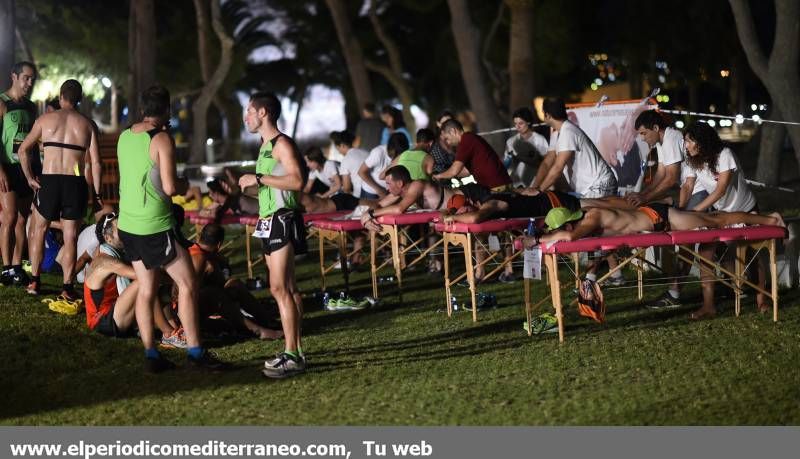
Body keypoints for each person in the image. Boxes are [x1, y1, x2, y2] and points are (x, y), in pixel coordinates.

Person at [116, 85, 226, 373]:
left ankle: (151, 355)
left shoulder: (125, 136)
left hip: (128, 224)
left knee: (147, 288)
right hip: (154, 225)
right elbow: (167, 186)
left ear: (142, 109)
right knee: (189, 283)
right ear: (166, 111)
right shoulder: (162, 138)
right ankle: (195, 352)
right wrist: (185, 185)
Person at [238, 92, 308, 378]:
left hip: (282, 220)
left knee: (280, 288)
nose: (246, 118)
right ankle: (295, 350)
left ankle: (292, 354)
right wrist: (250, 187)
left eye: (249, 112)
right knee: (284, 288)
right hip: (268, 220)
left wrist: (258, 179)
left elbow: (297, 180)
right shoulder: (264, 145)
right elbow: (272, 186)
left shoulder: (282, 143)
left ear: (263, 112)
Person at [18, 79, 102, 300]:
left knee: (38, 231)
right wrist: (97, 194)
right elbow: (95, 163)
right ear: (80, 100)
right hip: (74, 182)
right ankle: (67, 286)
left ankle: (35, 281)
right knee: (71, 236)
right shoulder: (87, 124)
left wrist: (29, 178)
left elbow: (23, 150)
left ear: (60, 96)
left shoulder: (45, 120)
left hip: (50, 180)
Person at [84, 212, 186, 347]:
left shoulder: (119, 253)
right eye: (121, 230)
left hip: (118, 311)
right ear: (108, 238)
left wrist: (174, 282)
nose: (127, 232)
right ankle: (168, 334)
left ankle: (174, 327)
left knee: (163, 291)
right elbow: (144, 275)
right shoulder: (105, 260)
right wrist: (174, 280)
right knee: (145, 283)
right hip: (103, 321)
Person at [188, 224, 283, 340]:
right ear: (219, 245)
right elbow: (209, 289)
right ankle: (258, 330)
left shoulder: (195, 251)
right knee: (215, 294)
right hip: (189, 312)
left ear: (199, 238)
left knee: (235, 284)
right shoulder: (203, 260)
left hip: (194, 304)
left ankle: (266, 321)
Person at [529, 97, 617, 198]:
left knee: (587, 212)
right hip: (593, 186)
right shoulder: (557, 132)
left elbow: (557, 168)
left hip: (600, 185)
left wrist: (539, 191)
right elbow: (547, 162)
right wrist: (534, 188)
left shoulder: (567, 132)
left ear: (547, 115)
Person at [0, 62, 39, 287]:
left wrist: (35, 169)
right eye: (26, 78)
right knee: (9, 216)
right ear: (14, 76)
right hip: (7, 166)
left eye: (32, 79)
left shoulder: (32, 107)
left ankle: (16, 267)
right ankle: (6, 268)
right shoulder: (3, 103)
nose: (29, 83)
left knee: (23, 219)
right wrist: (1, 171)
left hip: (26, 168)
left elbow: (33, 142)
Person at [433, 118, 512, 192]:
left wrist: (438, 176)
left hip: (496, 185)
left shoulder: (466, 141)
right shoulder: (469, 139)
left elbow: (454, 171)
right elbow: (465, 171)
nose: (448, 142)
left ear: (453, 131)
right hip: (498, 183)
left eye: (447, 138)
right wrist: (445, 174)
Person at [626, 110, 685, 206]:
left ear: (655, 128)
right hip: (688, 186)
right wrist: (642, 193)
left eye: (644, 133)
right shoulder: (660, 142)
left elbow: (671, 178)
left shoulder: (670, 139)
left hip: (698, 187)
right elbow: (661, 173)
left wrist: (645, 198)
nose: (642, 139)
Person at [504, 107, 548, 188]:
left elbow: (546, 163)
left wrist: (523, 159)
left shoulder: (539, 140)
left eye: (521, 123)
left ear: (529, 122)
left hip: (536, 184)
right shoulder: (511, 142)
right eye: (515, 124)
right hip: (517, 185)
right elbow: (507, 165)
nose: (517, 127)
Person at [333, 130, 380, 199]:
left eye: (338, 149)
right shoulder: (366, 151)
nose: (339, 152)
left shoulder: (346, 160)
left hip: (362, 195)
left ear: (342, 145)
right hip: (377, 190)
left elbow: (346, 188)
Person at [429, 110, 455, 175]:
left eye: (450, 122)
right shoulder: (434, 144)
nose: (448, 125)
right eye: (445, 122)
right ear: (438, 124)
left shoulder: (458, 139)